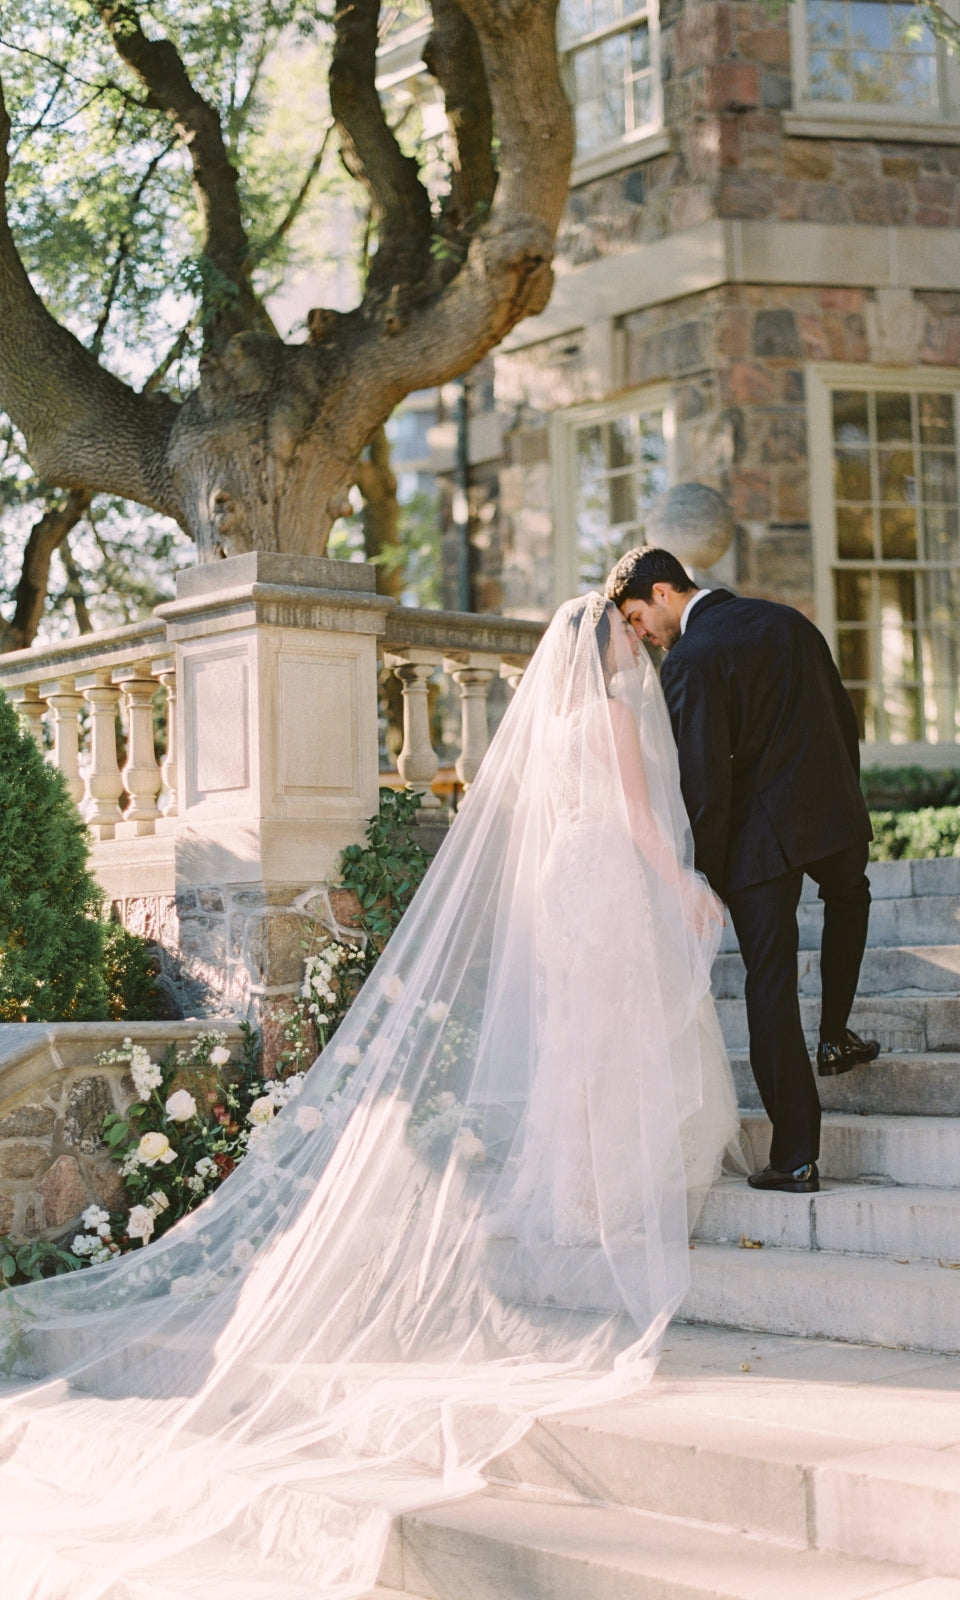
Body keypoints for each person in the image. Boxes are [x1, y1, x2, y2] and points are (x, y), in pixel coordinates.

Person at [0, 594, 737, 1599]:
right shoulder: (608, 714)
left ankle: (578, 1191)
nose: (628, 643)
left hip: (565, 878)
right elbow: (644, 820)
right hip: (606, 872)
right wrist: (685, 886)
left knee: (580, 1041)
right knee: (609, 1036)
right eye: (618, 630)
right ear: (600, 644)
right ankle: (607, 1192)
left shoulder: (551, 723)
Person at [607, 546, 878, 1196]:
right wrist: (846, 795)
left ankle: (795, 1156)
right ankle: (836, 1032)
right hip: (833, 809)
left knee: (770, 983)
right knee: (851, 896)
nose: (642, 634)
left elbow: (705, 785)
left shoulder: (691, 662)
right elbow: (843, 718)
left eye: (639, 617)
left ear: (665, 591)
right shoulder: (788, 621)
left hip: (763, 841)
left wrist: (702, 877)